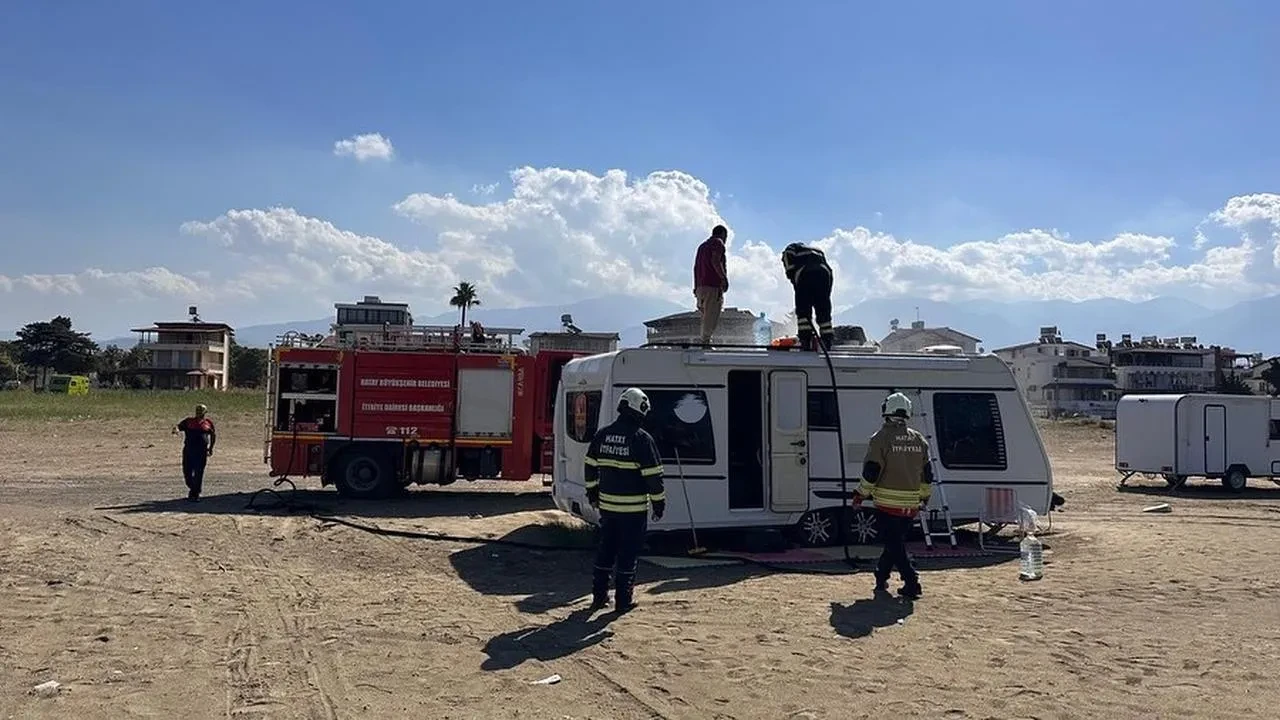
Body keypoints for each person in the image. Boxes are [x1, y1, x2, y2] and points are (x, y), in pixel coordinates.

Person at [584, 387, 666, 613]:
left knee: (606, 551)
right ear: (640, 409)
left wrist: (593, 493)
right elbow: (653, 477)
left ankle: (599, 597)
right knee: (627, 555)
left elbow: (589, 466)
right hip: (633, 511)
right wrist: (659, 504)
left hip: (607, 509)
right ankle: (623, 601)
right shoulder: (642, 439)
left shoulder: (602, 435)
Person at [852, 392, 931, 599]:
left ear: (886, 411)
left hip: (887, 504)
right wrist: (924, 498)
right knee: (893, 542)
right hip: (911, 505)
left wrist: (860, 494)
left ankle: (912, 581)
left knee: (895, 544)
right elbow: (927, 473)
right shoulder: (919, 439)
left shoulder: (880, 438)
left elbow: (872, 470)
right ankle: (881, 576)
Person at [780, 242, 835, 351]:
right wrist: (824, 297)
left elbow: (788, 260)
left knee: (803, 309)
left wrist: (791, 275)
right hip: (825, 275)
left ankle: (805, 339)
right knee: (823, 309)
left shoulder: (791, 248)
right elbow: (829, 276)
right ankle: (827, 339)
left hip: (806, 274)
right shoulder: (817, 252)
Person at [693, 225, 729, 345]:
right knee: (712, 314)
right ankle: (705, 342)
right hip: (712, 285)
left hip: (700, 287)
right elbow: (715, 260)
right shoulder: (718, 243)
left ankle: (705, 340)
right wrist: (723, 278)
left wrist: (696, 286)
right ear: (723, 234)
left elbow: (695, 268)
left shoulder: (702, 246)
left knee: (705, 316)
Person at [172, 403, 216, 502]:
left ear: (204, 413)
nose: (199, 413)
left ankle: (195, 494)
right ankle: (193, 488)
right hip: (189, 450)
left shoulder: (208, 423)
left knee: (198, 472)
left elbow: (213, 435)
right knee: (187, 472)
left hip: (201, 451)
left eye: (201, 411)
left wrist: (211, 448)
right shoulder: (189, 421)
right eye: (198, 411)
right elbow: (178, 426)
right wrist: (176, 430)